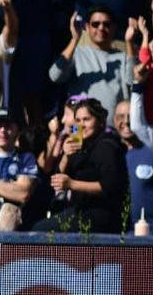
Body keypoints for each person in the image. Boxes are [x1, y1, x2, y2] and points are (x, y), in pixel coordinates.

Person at [33, 99, 128, 234]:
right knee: (39, 226)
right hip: (79, 210)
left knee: (40, 231)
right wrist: (66, 156)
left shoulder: (107, 146)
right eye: (77, 120)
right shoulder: (81, 144)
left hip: (100, 215)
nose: (81, 125)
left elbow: (109, 187)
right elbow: (57, 179)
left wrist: (72, 184)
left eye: (86, 120)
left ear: (100, 121)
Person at [50, 8, 135, 114]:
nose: (101, 28)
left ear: (114, 27)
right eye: (95, 24)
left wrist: (129, 42)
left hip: (115, 124)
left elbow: (134, 82)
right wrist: (75, 39)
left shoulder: (123, 57)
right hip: (81, 123)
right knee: (72, 127)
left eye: (106, 24)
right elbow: (55, 76)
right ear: (87, 27)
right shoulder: (76, 53)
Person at [115, 100, 153, 234]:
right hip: (116, 235)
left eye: (131, 116)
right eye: (121, 117)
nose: (126, 121)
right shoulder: (109, 150)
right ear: (114, 120)